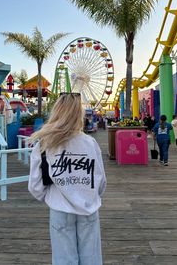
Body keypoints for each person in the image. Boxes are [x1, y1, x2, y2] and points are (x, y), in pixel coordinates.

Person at [28, 92, 106, 265]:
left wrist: (52, 196)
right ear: (79, 114)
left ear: (57, 112)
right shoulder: (90, 143)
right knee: (91, 259)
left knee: (64, 260)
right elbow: (100, 180)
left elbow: (35, 185)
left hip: (60, 209)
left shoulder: (44, 143)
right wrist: (88, 194)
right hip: (89, 209)